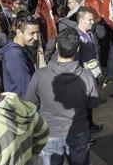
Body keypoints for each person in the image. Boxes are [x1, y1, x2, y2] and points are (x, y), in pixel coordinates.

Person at [27, 27, 99, 165]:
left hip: (49, 134)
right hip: (78, 133)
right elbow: (93, 103)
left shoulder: (40, 75)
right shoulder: (87, 76)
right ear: (77, 49)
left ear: (56, 46)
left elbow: (30, 103)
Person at [76, 7, 103, 135]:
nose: (92, 22)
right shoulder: (77, 37)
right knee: (83, 105)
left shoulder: (90, 33)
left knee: (90, 103)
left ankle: (90, 124)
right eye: (89, 20)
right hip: (83, 77)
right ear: (81, 20)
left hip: (93, 74)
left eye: (93, 19)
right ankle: (85, 131)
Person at [0, 15, 39, 98]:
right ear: (19, 32)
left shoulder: (21, 48)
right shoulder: (15, 56)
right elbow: (27, 90)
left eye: (37, 33)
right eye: (32, 33)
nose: (36, 37)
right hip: (22, 107)